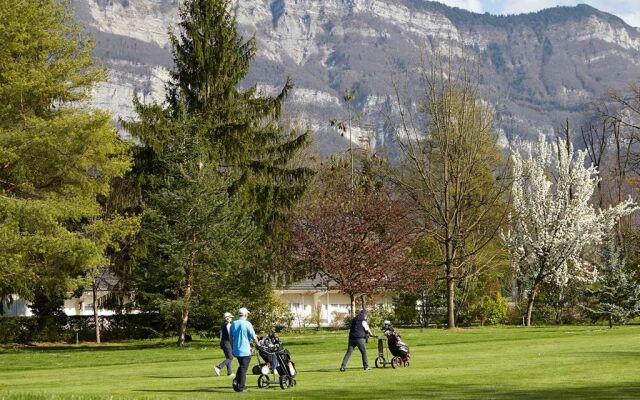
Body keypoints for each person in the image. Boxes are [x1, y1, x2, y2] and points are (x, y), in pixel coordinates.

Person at [229, 307, 260, 393]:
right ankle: (241, 387)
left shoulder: (233, 324)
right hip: (245, 349)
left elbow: (230, 338)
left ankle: (236, 381)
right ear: (245, 314)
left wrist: (232, 348)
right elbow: (254, 337)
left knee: (242, 366)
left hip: (236, 349)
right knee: (243, 368)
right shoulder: (247, 324)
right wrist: (258, 344)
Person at [214, 312, 234, 377]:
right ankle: (218, 367)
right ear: (227, 318)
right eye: (230, 317)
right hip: (227, 342)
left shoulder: (223, 324)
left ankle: (229, 372)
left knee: (228, 358)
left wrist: (221, 343)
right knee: (230, 358)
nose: (231, 318)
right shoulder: (228, 324)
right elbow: (230, 335)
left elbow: (221, 335)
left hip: (223, 342)